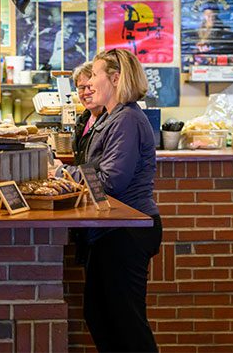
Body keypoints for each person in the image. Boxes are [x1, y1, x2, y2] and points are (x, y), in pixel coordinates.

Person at [63, 48, 162, 353]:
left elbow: (110, 182)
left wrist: (63, 173)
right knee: (101, 316)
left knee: (127, 325)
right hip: (111, 230)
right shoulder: (112, 117)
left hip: (126, 231)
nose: (88, 83)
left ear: (115, 78)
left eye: (94, 75)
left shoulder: (127, 119)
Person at [72, 62, 105, 166]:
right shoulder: (82, 120)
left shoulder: (112, 120)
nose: (86, 92)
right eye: (81, 87)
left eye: (90, 86)